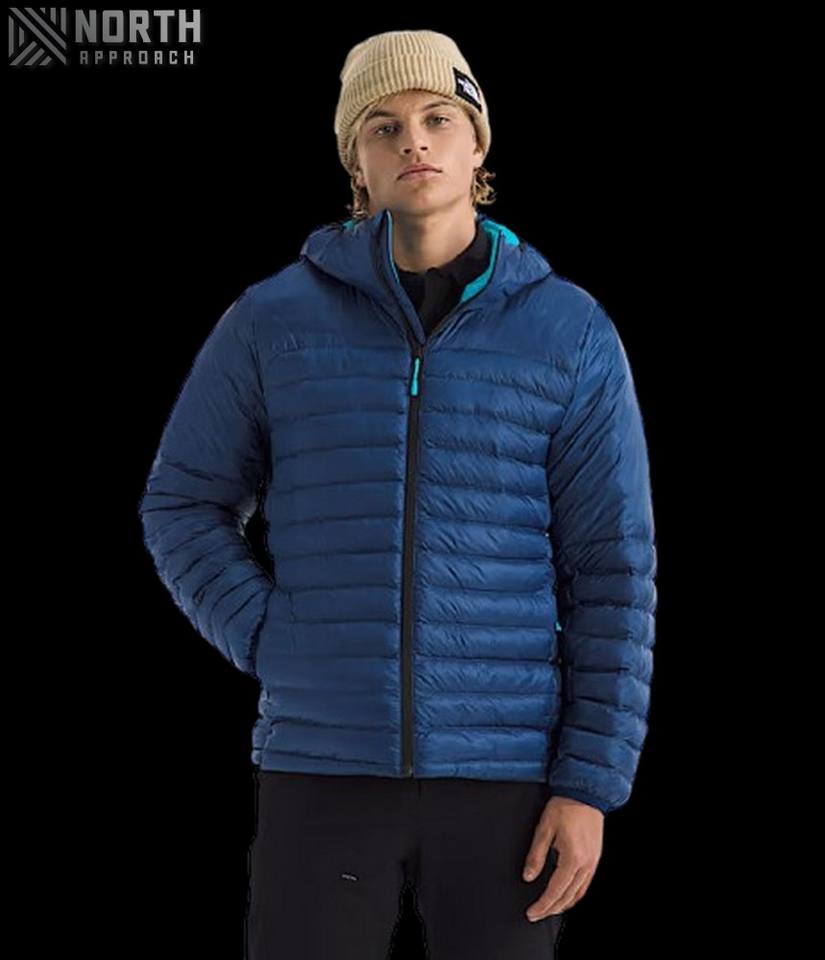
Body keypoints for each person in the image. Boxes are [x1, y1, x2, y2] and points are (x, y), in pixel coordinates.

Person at [138, 28, 658, 960]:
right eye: (382, 126)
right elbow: (182, 502)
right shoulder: (272, 321)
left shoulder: (568, 332)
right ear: (357, 164)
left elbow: (611, 568)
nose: (412, 140)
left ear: (476, 142)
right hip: (321, 763)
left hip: (507, 775)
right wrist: (270, 637)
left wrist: (588, 784)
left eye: (437, 118)